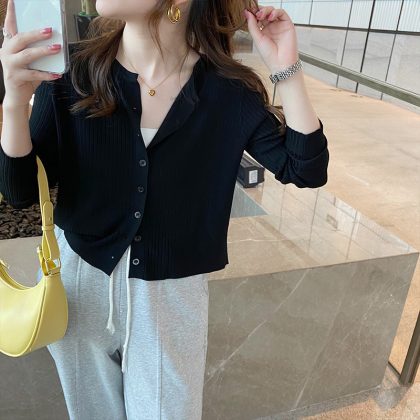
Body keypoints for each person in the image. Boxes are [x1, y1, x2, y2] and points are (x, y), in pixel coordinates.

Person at [0, 0, 329, 419]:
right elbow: (19, 192)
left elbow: (305, 169)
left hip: (172, 296)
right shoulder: (73, 73)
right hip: (80, 283)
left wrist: (287, 70)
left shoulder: (227, 92)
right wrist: (14, 103)